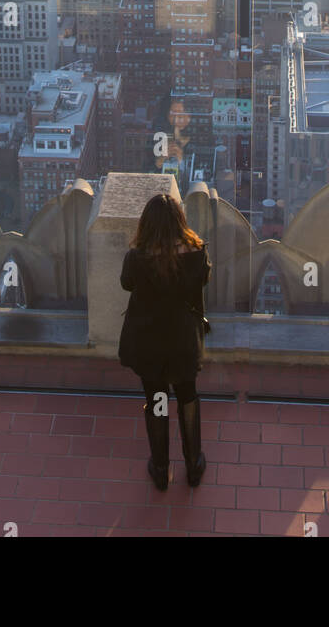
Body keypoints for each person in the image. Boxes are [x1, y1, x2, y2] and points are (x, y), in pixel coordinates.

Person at [118, 192, 211, 491]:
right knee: (187, 395)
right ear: (179, 222)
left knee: (157, 398)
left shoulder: (137, 258)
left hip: (149, 342)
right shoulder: (197, 254)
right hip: (183, 342)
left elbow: (126, 283)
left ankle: (161, 469)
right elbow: (202, 279)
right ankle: (193, 464)